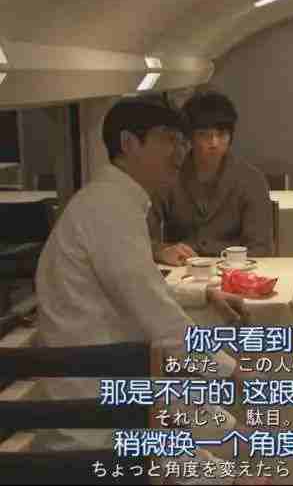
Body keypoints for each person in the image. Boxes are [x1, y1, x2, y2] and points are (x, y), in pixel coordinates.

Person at [33, 97, 254, 471]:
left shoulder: (112, 201)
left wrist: (203, 293)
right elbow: (154, 312)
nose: (180, 152)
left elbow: (141, 289)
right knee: (234, 440)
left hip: (114, 380)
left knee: (232, 435)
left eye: (181, 141)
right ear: (129, 143)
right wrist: (230, 370)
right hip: (97, 410)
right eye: (168, 139)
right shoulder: (108, 209)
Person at [148, 90, 273, 264]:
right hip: (184, 267)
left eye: (221, 134)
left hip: (235, 269)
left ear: (230, 136)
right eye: (204, 135)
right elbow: (143, 237)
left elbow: (260, 247)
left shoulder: (251, 179)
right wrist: (161, 251)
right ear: (190, 137)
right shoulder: (169, 175)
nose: (214, 143)